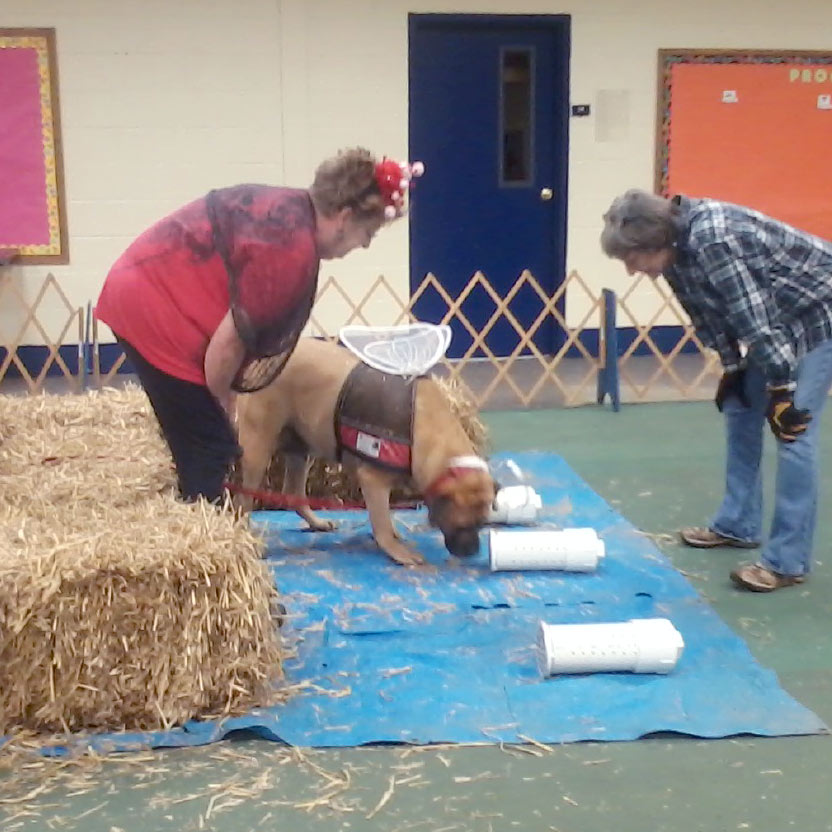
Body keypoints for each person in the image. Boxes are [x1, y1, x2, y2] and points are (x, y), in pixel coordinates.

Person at [96, 148, 423, 503]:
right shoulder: (291, 253)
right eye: (368, 233)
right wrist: (224, 414)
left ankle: (195, 515)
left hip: (139, 284)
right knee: (212, 451)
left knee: (202, 436)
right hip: (152, 308)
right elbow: (226, 348)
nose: (363, 245)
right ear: (344, 218)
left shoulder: (289, 210)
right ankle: (204, 534)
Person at [601, 189, 832, 592]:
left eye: (630, 259)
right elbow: (706, 312)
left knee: (793, 429)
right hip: (776, 318)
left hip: (817, 310)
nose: (631, 270)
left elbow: (756, 322)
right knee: (741, 408)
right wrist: (733, 367)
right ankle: (738, 523)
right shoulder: (674, 251)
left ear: (653, 241)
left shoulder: (716, 240)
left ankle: (787, 562)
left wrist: (781, 390)